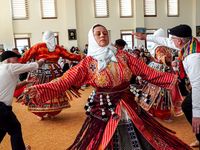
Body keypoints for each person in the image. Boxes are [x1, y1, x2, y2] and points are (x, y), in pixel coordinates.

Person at [26, 24, 191, 149]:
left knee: (139, 130)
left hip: (128, 102)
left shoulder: (123, 56)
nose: (102, 35)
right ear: (92, 37)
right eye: (98, 33)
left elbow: (147, 72)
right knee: (105, 136)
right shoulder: (87, 63)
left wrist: (175, 78)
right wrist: (40, 89)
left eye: (105, 33)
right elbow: (65, 80)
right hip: (104, 105)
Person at [19, 30, 84, 120]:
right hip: (55, 72)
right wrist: (82, 57)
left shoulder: (38, 46)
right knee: (55, 89)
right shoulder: (57, 48)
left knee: (38, 88)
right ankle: (52, 112)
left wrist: (16, 63)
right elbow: (70, 56)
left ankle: (40, 113)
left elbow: (26, 56)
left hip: (40, 71)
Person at [0, 51, 44, 150]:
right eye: (15, 59)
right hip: (1, 108)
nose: (18, 61)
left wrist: (26, 82)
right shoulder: (9, 67)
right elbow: (33, 65)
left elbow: (13, 87)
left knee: (2, 127)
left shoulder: (3, 69)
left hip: (2, 108)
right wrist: (42, 60)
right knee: (15, 128)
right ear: (7, 60)